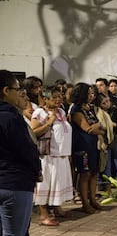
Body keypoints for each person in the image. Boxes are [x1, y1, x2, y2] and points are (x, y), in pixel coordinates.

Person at [0, 70, 41, 236]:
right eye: (17, 90)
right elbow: (26, 149)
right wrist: (37, 171)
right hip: (14, 183)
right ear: (6, 91)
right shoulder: (10, 117)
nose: (20, 94)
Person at [31, 86, 73, 226]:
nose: (58, 99)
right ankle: (43, 215)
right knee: (46, 184)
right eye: (54, 97)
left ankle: (57, 208)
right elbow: (33, 132)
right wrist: (49, 122)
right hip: (48, 157)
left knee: (59, 183)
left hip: (62, 155)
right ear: (45, 99)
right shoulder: (40, 112)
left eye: (59, 96)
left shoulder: (61, 111)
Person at [70, 83, 106, 214]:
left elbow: (97, 127)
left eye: (93, 93)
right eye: (89, 93)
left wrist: (98, 128)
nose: (92, 96)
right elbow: (87, 128)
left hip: (93, 145)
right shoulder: (76, 109)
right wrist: (99, 129)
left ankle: (93, 200)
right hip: (82, 146)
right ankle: (85, 203)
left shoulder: (90, 108)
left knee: (94, 172)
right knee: (84, 174)